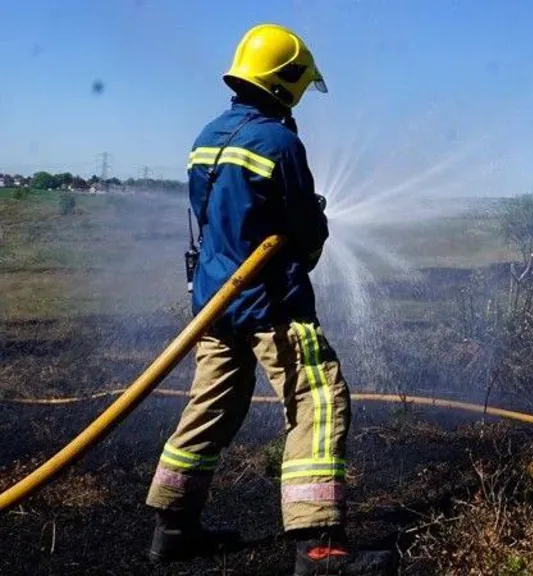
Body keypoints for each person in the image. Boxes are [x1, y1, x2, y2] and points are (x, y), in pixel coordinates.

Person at [144, 23, 397, 576]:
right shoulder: (280, 144)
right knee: (319, 400)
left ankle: (173, 527)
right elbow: (303, 230)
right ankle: (320, 547)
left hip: (215, 302)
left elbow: (219, 218)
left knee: (212, 404)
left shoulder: (207, 136)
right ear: (287, 82)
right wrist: (313, 234)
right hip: (270, 302)